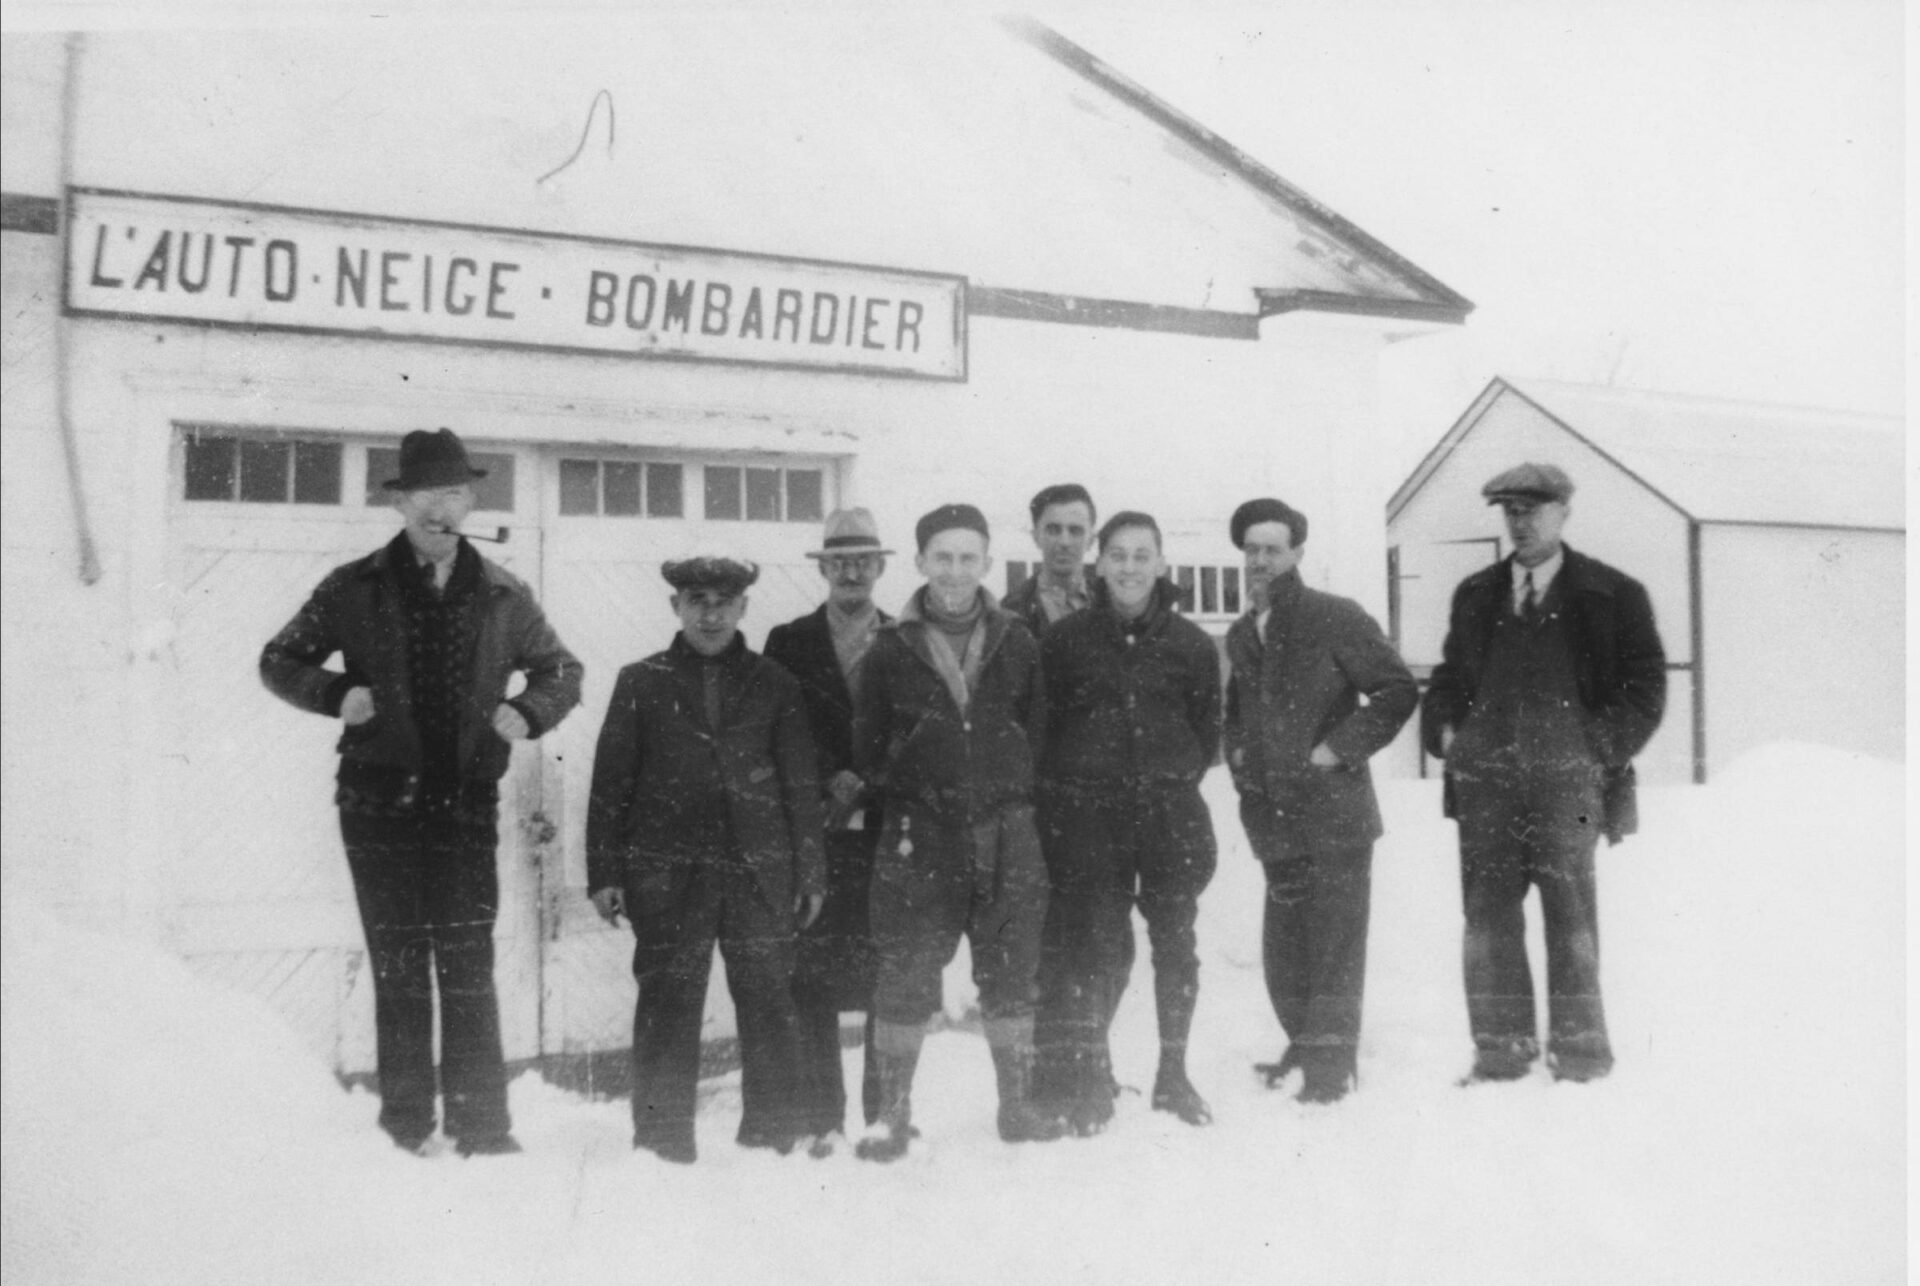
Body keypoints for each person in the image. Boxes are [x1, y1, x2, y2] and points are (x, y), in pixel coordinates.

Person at [260, 427, 583, 1157]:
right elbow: (279, 659)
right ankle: (405, 1127)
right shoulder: (353, 587)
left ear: (471, 500)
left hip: (463, 808)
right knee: (399, 966)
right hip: (377, 808)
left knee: (467, 964)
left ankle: (482, 1126)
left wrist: (528, 711)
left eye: (456, 494)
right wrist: (336, 691)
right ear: (401, 503)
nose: (442, 510)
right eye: (426, 496)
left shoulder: (504, 593)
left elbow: (562, 672)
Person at [1421, 464, 1666, 1085]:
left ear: (1564, 511)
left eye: (1531, 510)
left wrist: (1596, 749)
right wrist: (1448, 732)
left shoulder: (1613, 595)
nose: (1519, 522)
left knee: (1572, 913)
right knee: (1488, 917)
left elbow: (1645, 690)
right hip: (1487, 787)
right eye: (1509, 510)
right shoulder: (1476, 595)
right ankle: (1501, 1051)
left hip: (1572, 787)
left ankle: (1581, 1055)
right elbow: (1450, 676)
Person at [585, 557, 827, 1163]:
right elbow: (611, 782)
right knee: (668, 1001)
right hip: (669, 872)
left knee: (769, 998)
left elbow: (800, 785)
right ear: (676, 607)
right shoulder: (640, 681)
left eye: (725, 600)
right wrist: (605, 873)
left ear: (745, 607)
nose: (712, 613)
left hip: (757, 872)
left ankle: (772, 1136)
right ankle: (661, 1141)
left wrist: (810, 872)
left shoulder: (776, 682)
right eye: (697, 599)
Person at [851, 503, 1065, 1161]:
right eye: (941, 557)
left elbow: (1042, 735)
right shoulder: (888, 648)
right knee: (906, 973)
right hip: (921, 835)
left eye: (968, 557)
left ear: (987, 564)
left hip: (1007, 833)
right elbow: (867, 747)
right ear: (919, 564)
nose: (954, 571)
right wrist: (920, 772)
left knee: (1012, 968)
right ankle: (893, 1117)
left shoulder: (1020, 641)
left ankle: (1017, 1107)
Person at [1033, 511, 1222, 1134]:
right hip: (1090, 821)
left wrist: (1164, 779)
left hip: (1171, 819)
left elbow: (1205, 733)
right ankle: (1093, 1078)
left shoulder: (1194, 646)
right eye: (1118, 555)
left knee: (1177, 944)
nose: (1130, 568)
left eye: (1143, 556)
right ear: (1099, 563)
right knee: (1095, 947)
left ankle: (1174, 1073)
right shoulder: (1063, 643)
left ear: (1162, 564)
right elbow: (1047, 731)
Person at [1225, 498, 1417, 1105]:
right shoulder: (1241, 631)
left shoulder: (1334, 617)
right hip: (1273, 817)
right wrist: (1237, 758)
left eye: (1272, 549)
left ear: (1297, 553)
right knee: (1285, 950)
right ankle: (1306, 1043)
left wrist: (1338, 749)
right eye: (1252, 550)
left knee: (1333, 948)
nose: (1261, 560)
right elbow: (1237, 715)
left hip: (1334, 818)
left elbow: (1396, 690)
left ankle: (1332, 1073)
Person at [763, 509, 895, 1156]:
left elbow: (914, 732)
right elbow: (778, 731)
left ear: (880, 568)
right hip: (814, 833)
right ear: (823, 568)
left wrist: (865, 779)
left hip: (882, 834)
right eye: (838, 561)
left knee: (884, 972)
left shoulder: (907, 638)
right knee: (810, 975)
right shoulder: (788, 642)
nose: (851, 572)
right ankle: (822, 1117)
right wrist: (827, 781)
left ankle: (882, 1113)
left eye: (862, 561)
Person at [1002, 482, 1097, 637]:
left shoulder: (1114, 604)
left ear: (1091, 540)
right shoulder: (1008, 614)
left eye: (1075, 531)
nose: (1064, 542)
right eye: (1053, 530)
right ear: (1036, 536)